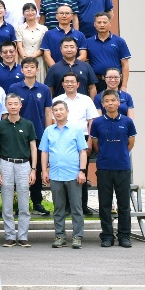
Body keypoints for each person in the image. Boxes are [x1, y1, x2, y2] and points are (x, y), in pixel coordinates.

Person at [90, 89, 137, 247]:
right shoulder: (97, 123)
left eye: (113, 100)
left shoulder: (127, 122)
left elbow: (130, 143)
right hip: (104, 167)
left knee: (124, 204)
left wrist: (120, 154)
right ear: (102, 104)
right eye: (107, 101)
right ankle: (107, 236)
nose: (110, 103)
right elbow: (96, 145)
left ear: (118, 102)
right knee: (105, 204)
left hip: (122, 166)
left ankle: (124, 236)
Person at [41, 99, 88, 248]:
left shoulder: (76, 130)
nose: (58, 112)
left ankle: (77, 236)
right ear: (53, 113)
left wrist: (82, 171)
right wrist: (44, 170)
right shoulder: (48, 131)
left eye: (61, 109)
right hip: (56, 175)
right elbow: (44, 152)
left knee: (76, 207)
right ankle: (60, 236)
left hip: (73, 175)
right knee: (58, 208)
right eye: (55, 110)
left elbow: (83, 152)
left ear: (67, 112)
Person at [8, 59, 53, 215]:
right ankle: (17, 203)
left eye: (32, 67)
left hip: (39, 134)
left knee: (37, 168)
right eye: (26, 67)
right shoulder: (14, 88)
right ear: (21, 70)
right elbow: (10, 110)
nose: (29, 69)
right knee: (17, 169)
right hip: (18, 136)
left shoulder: (44, 89)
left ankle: (37, 202)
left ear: (37, 70)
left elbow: (48, 113)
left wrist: (48, 133)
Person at [0, 94, 38, 247]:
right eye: (10, 104)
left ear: (20, 105)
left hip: (24, 164)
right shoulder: (0, 125)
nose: (13, 106)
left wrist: (33, 169)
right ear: (6, 106)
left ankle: (23, 236)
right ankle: (10, 236)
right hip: (5, 163)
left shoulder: (28, 124)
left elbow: (33, 148)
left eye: (15, 103)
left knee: (24, 202)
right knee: (6, 202)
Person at [84, 12, 132, 87]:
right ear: (94, 24)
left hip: (114, 81)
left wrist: (124, 85)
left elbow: (125, 64)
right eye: (99, 22)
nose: (102, 25)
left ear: (110, 24)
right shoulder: (88, 42)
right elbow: (86, 63)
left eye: (105, 22)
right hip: (96, 82)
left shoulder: (119, 41)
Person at [18, 2, 47, 71]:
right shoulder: (19, 28)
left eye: (32, 10)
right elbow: (19, 47)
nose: (30, 12)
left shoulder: (44, 29)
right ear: (23, 13)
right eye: (27, 11)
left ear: (36, 13)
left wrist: (34, 55)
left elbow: (44, 47)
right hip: (23, 60)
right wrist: (26, 60)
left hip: (39, 60)